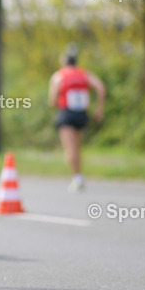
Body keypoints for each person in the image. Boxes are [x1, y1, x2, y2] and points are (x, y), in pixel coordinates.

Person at [49, 44, 106, 192]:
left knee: (70, 148)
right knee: (77, 147)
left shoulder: (59, 76)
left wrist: (56, 101)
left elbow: (52, 100)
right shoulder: (84, 74)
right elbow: (100, 87)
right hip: (82, 114)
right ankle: (78, 175)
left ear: (64, 61)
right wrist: (99, 108)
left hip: (67, 113)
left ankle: (77, 177)